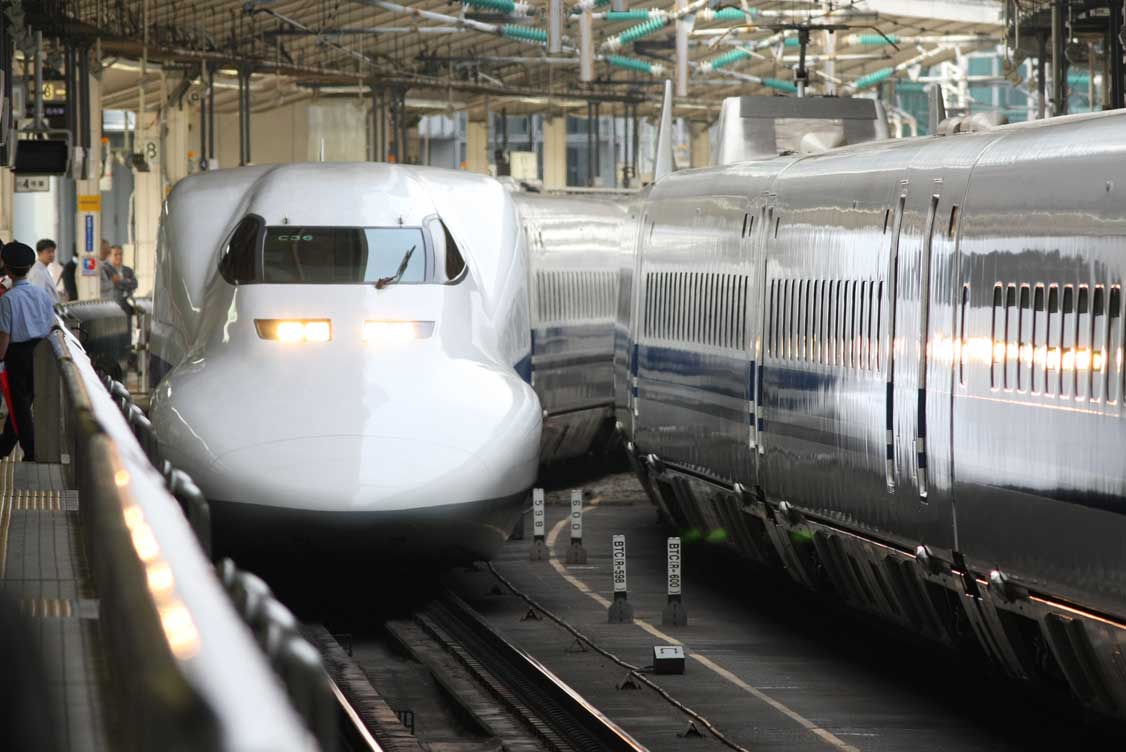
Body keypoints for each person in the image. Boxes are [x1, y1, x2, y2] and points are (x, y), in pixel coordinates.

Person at [0, 241, 56, 461]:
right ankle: (6, 445)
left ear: (9, 271)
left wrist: (0, 357)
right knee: (27, 402)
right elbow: (52, 323)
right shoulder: (41, 294)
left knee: (19, 404)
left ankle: (30, 450)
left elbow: (4, 335)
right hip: (42, 351)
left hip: (17, 355)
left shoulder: (8, 300)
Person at [28, 239, 59, 304]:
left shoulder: (44, 269)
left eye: (53, 251)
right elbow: (38, 298)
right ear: (39, 253)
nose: (51, 255)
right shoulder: (37, 272)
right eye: (48, 252)